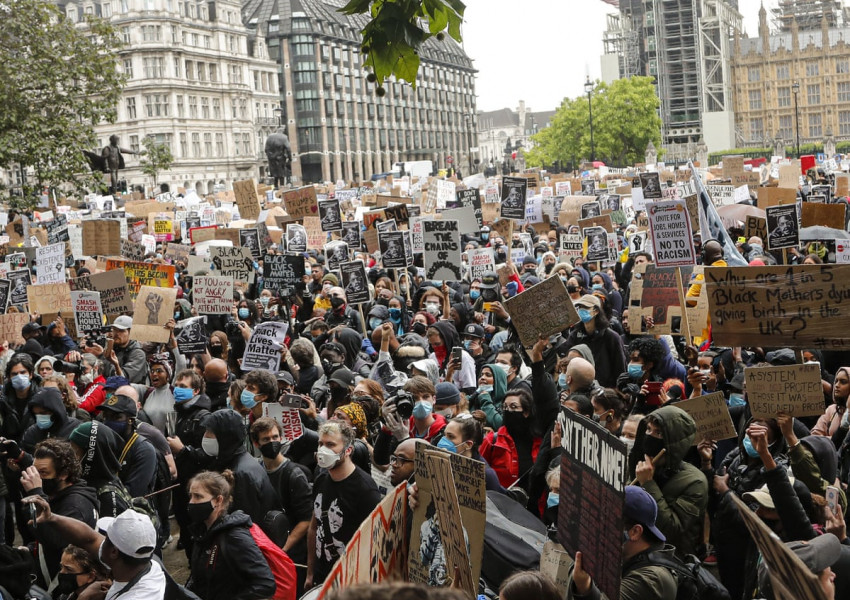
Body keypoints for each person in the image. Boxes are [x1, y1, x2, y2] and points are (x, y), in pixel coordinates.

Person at [23, 499, 166, 600]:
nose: (100, 539)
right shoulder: (145, 560)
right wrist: (51, 517)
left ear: (114, 552)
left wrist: (84, 598)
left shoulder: (136, 596)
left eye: (106, 538)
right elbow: (88, 538)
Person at [306, 421, 382, 588]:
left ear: (348, 450)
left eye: (330, 444)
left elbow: (374, 546)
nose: (322, 450)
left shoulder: (365, 490)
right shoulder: (321, 479)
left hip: (349, 583)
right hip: (322, 576)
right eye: (321, 444)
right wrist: (310, 572)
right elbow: (314, 526)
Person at [568, 486, 678, 600]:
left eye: (607, 524)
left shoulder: (652, 579)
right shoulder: (626, 556)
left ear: (635, 532)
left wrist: (584, 587)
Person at [629, 405, 708, 558]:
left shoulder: (695, 482)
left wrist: (648, 484)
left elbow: (671, 530)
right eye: (648, 430)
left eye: (658, 433)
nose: (650, 436)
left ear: (674, 442)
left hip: (669, 560)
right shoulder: (641, 466)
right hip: (637, 551)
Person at [186, 470, 276, 600]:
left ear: (218, 500)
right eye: (191, 496)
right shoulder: (202, 533)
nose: (191, 502)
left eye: (198, 496)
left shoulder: (235, 536)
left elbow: (266, 584)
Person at [19, 439, 99, 584]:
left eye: (43, 473)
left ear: (64, 474)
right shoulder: (56, 494)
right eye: (35, 472)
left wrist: (37, 493)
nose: (38, 478)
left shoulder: (76, 505)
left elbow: (56, 541)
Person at [197, 409, 277, 527]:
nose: (205, 437)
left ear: (225, 436)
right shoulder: (234, 461)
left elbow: (245, 522)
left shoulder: (241, 474)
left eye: (210, 432)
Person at [250, 417, 312, 561]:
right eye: (266, 439)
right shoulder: (256, 470)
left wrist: (283, 549)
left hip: (290, 551)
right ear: (256, 443)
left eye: (275, 437)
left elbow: (306, 519)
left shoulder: (294, 475)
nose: (272, 442)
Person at [98, 390, 158, 497]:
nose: (108, 422)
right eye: (106, 417)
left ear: (130, 420)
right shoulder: (104, 443)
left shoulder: (144, 450)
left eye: (116, 417)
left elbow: (133, 493)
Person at [480, 389, 541, 488]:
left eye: (513, 407)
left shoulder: (540, 441)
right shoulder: (492, 441)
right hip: (500, 501)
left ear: (526, 412)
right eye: (505, 407)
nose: (508, 411)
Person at [560, 295, 625, 388]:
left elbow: (620, 367)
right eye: (580, 307)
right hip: (580, 388)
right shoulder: (575, 335)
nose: (581, 310)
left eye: (586, 307)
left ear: (596, 311)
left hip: (605, 390)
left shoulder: (611, 337)